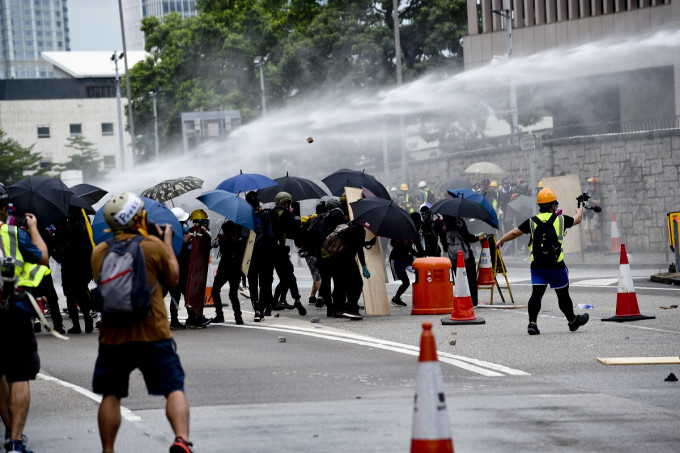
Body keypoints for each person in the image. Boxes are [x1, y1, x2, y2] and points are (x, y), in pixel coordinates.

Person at [91, 192, 194, 453]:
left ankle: (108, 449)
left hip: (114, 335)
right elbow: (173, 278)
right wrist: (167, 241)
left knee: (111, 394)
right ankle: (181, 439)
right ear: (137, 217)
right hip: (153, 332)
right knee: (173, 388)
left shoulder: (100, 252)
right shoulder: (152, 246)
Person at [496, 188, 590, 335]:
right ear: (553, 206)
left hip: (538, 267)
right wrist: (579, 212)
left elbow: (515, 232)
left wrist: (501, 240)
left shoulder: (532, 221)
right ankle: (572, 321)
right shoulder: (561, 219)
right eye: (555, 204)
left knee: (536, 295)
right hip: (556, 267)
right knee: (563, 296)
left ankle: (532, 324)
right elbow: (577, 220)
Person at [0, 182, 51, 453]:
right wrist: (32, 228)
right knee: (18, 375)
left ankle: (9, 433)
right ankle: (15, 442)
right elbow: (42, 257)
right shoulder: (12, 233)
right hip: (14, 311)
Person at [245, 191, 275, 322]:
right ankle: (262, 309)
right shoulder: (265, 216)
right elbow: (270, 235)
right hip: (265, 253)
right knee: (264, 282)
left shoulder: (244, 219)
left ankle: (256, 308)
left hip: (250, 253)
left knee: (252, 282)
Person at [442, 216, 484, 306]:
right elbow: (469, 237)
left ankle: (461, 301)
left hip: (453, 258)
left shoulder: (444, 227)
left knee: (459, 280)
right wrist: (478, 237)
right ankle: (473, 301)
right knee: (471, 278)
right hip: (466, 256)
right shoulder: (459, 224)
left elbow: (445, 246)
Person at [210, 220, 246, 325]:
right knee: (230, 293)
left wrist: (222, 241)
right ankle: (236, 316)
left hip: (228, 268)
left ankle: (226, 315)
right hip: (231, 269)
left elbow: (228, 250)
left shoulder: (236, 241)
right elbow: (215, 245)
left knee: (225, 292)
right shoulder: (234, 239)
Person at [389, 236, 424, 307]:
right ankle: (396, 298)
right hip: (396, 260)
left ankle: (422, 296)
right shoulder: (398, 234)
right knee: (406, 282)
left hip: (407, 258)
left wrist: (424, 255)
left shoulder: (414, 234)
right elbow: (393, 243)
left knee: (420, 272)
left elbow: (418, 246)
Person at [583, 176, 603, 251]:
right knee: (586, 230)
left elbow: (599, 202)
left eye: (591, 184)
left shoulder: (597, 191)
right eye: (589, 184)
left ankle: (595, 246)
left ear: (595, 184)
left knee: (592, 229)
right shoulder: (587, 192)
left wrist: (591, 200)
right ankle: (589, 245)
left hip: (594, 212)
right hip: (588, 212)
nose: (590, 185)